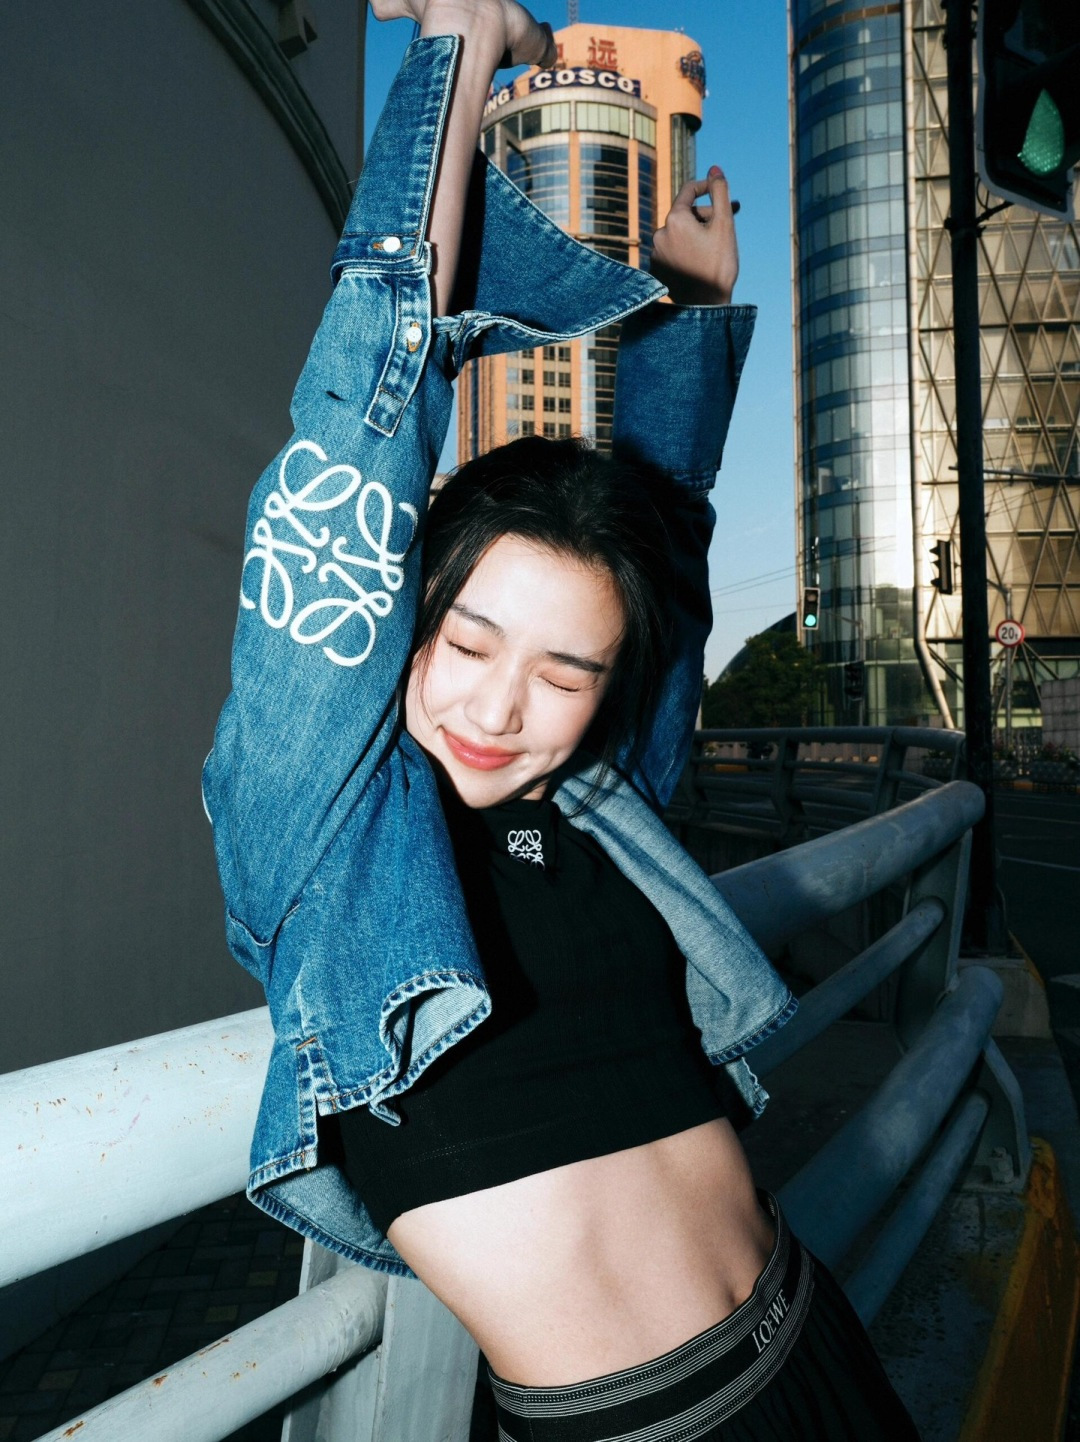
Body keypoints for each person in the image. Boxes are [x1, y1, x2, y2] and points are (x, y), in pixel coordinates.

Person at [203, 1, 921, 1436]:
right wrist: (457, 54)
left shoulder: (603, 801)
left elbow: (661, 556)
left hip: (817, 1341)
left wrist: (685, 320)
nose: (501, 705)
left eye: (564, 673)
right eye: (468, 640)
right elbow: (353, 439)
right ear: (402, 619)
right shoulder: (326, 838)